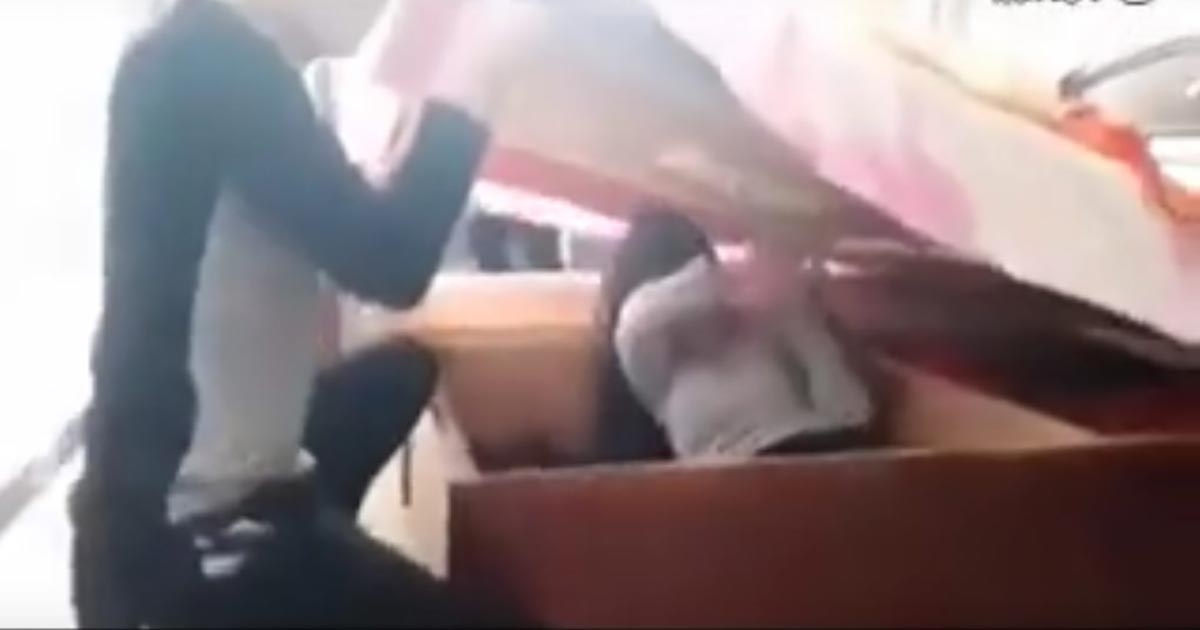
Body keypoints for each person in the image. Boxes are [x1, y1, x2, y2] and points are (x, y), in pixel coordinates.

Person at [72, 0, 535, 626]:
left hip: (180, 500)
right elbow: (393, 261)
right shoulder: (212, 62)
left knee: (402, 373)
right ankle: (314, 555)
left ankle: (323, 535)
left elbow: (349, 221)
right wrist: (485, 66)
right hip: (198, 545)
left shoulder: (205, 55)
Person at [594, 210, 883, 462]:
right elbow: (645, 312)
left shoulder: (763, 327)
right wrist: (750, 277)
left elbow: (853, 416)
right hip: (736, 482)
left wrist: (798, 315)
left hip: (813, 460)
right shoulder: (651, 360)